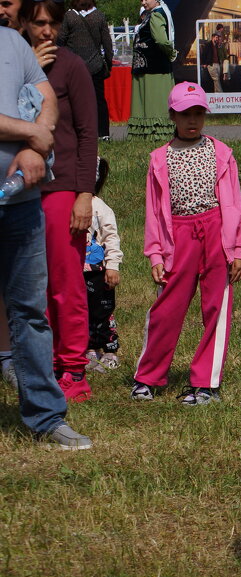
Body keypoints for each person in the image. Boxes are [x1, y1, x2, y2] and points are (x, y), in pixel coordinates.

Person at [0, 24, 92, 449]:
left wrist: (37, 146)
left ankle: (45, 417)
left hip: (20, 203)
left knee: (30, 313)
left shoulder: (13, 43)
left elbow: (47, 98)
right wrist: (29, 133)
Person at [132, 82, 241, 404]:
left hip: (216, 234)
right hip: (178, 238)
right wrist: (155, 254)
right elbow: (154, 211)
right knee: (166, 309)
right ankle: (148, 378)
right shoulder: (159, 158)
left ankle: (205, 383)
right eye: (184, 114)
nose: (192, 120)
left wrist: (238, 249)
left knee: (216, 308)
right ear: (172, 115)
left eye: (198, 113)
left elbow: (235, 203)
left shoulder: (222, 153)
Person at [26, 0, 99, 403]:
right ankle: (42, 364)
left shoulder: (72, 67)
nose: (47, 32)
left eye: (54, 23)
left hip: (62, 191)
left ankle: (72, 367)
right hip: (20, 190)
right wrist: (28, 68)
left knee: (64, 282)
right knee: (28, 286)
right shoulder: (14, 64)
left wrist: (84, 194)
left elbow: (90, 135)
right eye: (39, 23)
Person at [83, 157, 120, 372]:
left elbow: (111, 237)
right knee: (82, 311)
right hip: (76, 271)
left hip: (99, 272)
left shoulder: (99, 207)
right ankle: (89, 349)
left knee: (103, 311)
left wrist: (113, 265)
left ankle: (109, 349)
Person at [57, 0, 112, 141]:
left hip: (74, 67)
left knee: (74, 101)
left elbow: (60, 41)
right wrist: (109, 64)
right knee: (99, 100)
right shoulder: (99, 16)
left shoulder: (69, 17)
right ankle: (103, 133)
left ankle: (75, 132)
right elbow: (107, 44)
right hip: (96, 65)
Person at [128, 0, 175, 140]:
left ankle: (156, 134)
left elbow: (161, 39)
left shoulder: (157, 15)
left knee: (153, 101)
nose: (142, 3)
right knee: (147, 100)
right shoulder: (153, 14)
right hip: (147, 67)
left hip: (154, 68)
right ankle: (147, 133)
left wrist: (171, 52)